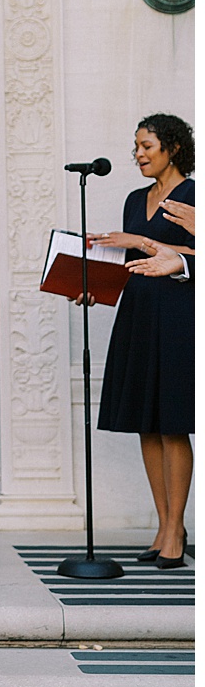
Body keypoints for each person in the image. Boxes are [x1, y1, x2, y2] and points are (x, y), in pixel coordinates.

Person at [90, 113, 194, 568]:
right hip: (137, 314)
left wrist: (143, 242)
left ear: (172, 147)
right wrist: (96, 287)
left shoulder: (194, 196)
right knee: (147, 424)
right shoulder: (135, 200)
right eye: (136, 146)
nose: (138, 154)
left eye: (147, 146)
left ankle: (175, 530)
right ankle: (164, 523)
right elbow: (125, 263)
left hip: (178, 316)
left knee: (173, 422)